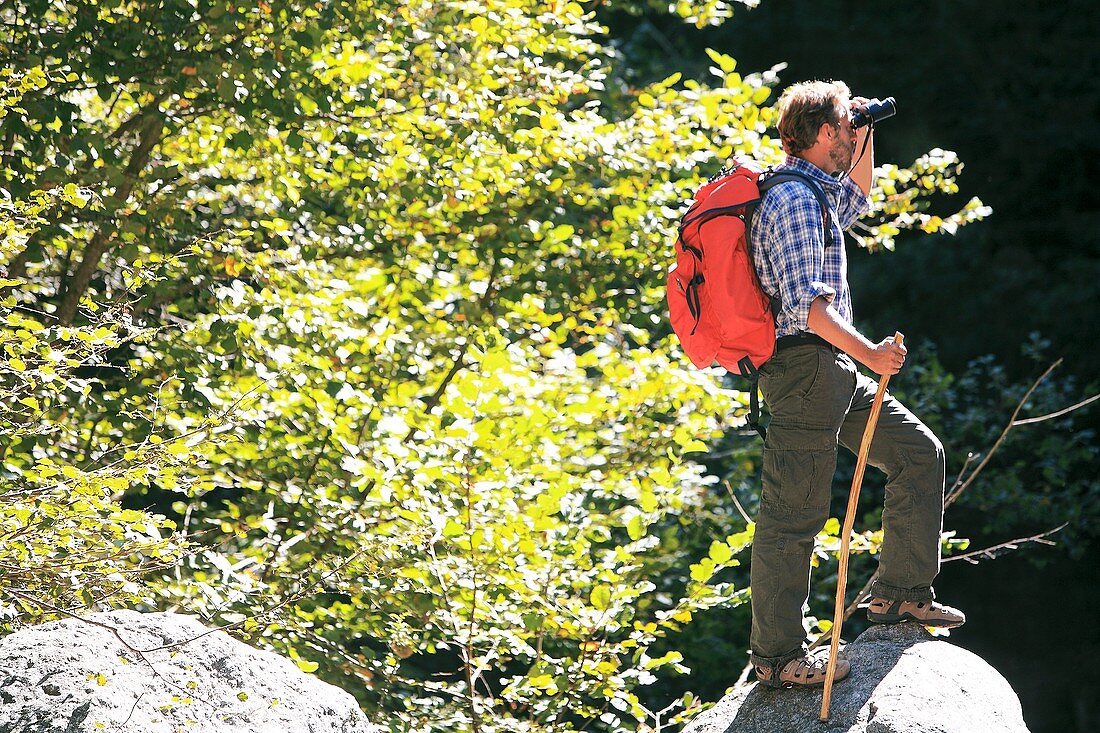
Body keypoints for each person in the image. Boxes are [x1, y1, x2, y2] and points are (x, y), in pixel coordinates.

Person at [746, 80, 965, 689]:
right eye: (844, 125)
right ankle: (778, 655)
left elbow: (860, 194)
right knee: (794, 513)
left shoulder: (817, 191)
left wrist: (866, 130)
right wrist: (870, 353)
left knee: (919, 454)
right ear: (820, 135)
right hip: (805, 368)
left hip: (829, 368)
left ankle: (899, 594)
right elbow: (809, 308)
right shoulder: (790, 200)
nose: (851, 132)